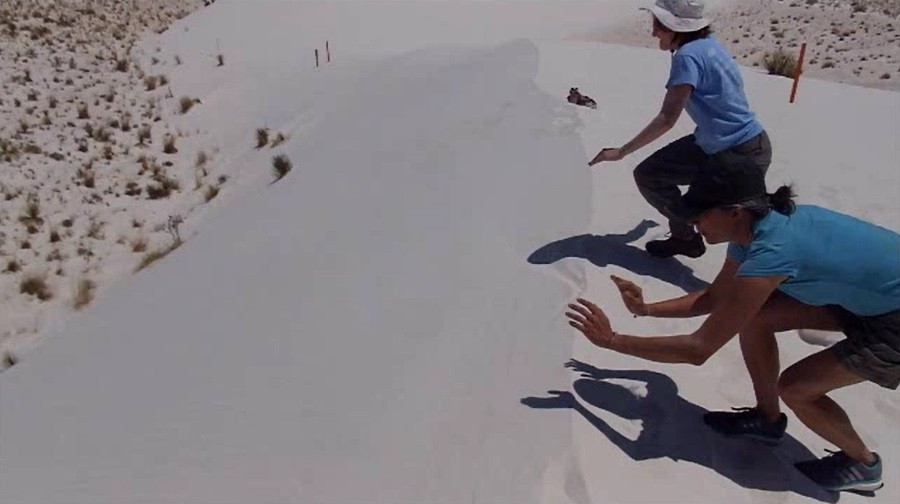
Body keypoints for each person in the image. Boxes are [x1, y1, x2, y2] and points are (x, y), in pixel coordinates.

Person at [564, 152, 899, 494]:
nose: (694, 223)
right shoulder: (754, 231)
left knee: (797, 389)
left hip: (893, 320)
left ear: (734, 211)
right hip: (865, 299)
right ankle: (767, 419)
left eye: (700, 214)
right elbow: (714, 300)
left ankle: (863, 463)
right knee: (756, 317)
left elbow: (698, 349)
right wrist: (647, 308)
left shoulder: (773, 252)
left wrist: (612, 341)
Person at [588, 0, 772, 259]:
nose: (654, 33)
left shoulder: (687, 56)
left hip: (740, 153)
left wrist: (622, 151)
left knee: (740, 226)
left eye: (659, 26)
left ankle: (773, 282)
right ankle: (685, 237)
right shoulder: (708, 45)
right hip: (725, 143)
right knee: (651, 175)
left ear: (676, 27)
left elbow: (667, 118)